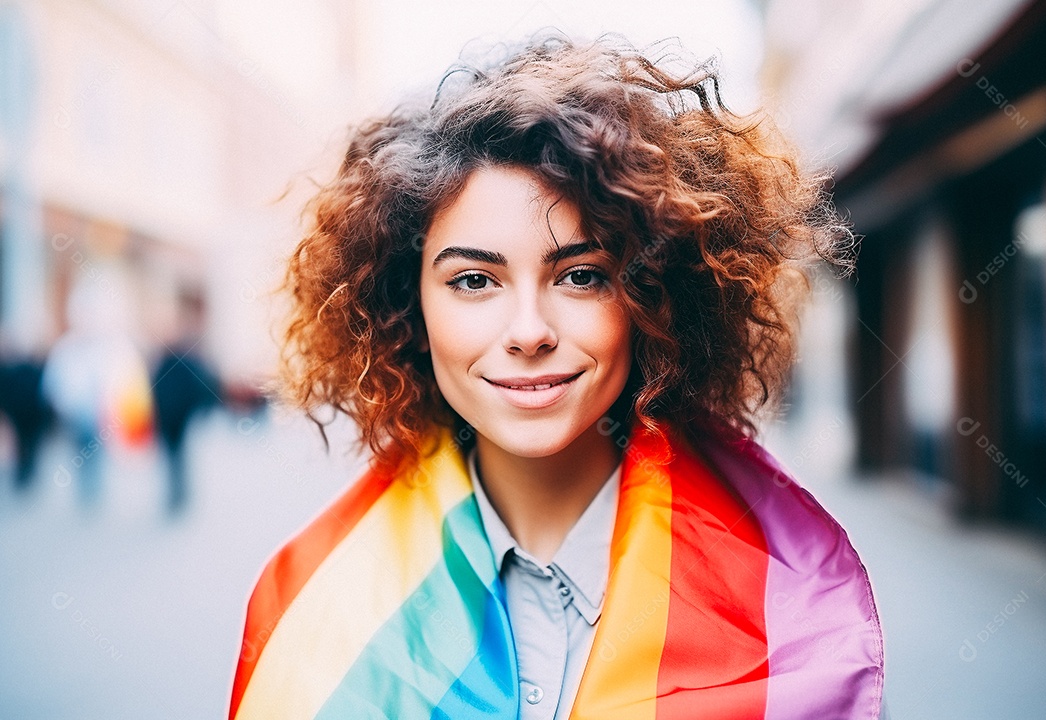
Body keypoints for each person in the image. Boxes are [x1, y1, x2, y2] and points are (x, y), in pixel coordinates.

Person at [230, 35, 884, 720]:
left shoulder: (794, 608)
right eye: (474, 280)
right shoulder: (314, 605)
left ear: (652, 297)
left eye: (580, 276)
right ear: (408, 307)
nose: (529, 330)